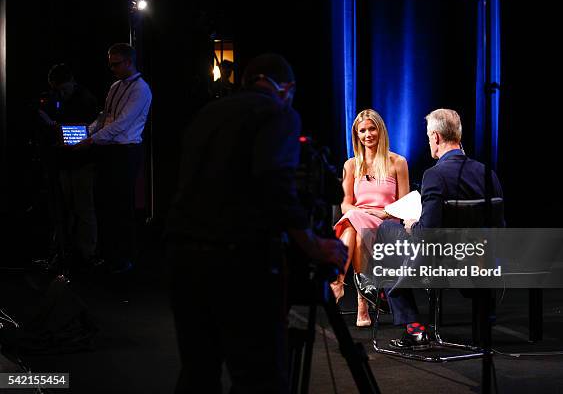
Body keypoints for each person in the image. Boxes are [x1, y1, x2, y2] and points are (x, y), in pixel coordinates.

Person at [165, 53, 346, 394]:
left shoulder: (206, 114)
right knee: (259, 377)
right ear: (287, 88)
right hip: (238, 262)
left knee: (198, 373)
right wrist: (312, 243)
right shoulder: (279, 114)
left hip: (182, 258)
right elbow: (275, 185)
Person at [380, 108, 504, 349]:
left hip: (444, 264)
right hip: (484, 260)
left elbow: (428, 234)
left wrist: (411, 224)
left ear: (435, 137)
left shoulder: (435, 175)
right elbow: (499, 224)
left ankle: (413, 326)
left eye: (428, 137)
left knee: (387, 230)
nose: (429, 142)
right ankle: (483, 321)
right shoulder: (488, 174)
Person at [76, 43, 152, 273]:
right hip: (108, 150)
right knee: (105, 204)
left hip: (125, 152)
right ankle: (109, 254)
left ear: (129, 61)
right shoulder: (115, 86)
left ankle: (125, 258)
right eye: (110, 64)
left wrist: (91, 139)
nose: (112, 68)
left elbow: (122, 124)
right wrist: (84, 132)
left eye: (116, 64)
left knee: (122, 206)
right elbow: (105, 118)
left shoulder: (141, 89)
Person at [333, 109, 409, 327]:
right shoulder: (351, 165)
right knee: (355, 233)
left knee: (352, 226)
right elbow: (346, 202)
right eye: (362, 130)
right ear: (356, 135)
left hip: (387, 223)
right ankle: (362, 304)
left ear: (380, 130)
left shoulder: (398, 162)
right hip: (358, 222)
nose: (368, 134)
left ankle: (338, 282)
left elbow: (403, 204)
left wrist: (383, 213)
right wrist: (360, 213)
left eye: (372, 128)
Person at [38, 64, 98, 268]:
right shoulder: (59, 98)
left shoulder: (86, 100)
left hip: (81, 162)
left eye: (63, 89)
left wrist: (57, 128)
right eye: (57, 90)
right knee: (66, 209)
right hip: (65, 162)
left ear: (72, 82)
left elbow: (86, 129)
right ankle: (69, 251)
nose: (60, 94)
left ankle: (87, 254)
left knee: (83, 209)